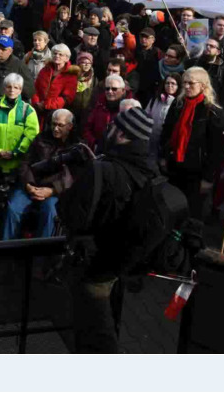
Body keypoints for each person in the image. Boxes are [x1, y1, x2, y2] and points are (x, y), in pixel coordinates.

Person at [59, 108, 159, 353]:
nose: (109, 128)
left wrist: (68, 187)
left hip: (96, 263)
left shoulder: (103, 170)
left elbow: (71, 215)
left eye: (114, 126)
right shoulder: (149, 168)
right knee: (106, 323)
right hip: (121, 261)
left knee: (95, 333)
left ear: (122, 135)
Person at [160, 66, 224, 221]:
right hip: (175, 165)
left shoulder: (214, 112)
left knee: (191, 212)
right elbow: (167, 132)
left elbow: (216, 149)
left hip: (196, 171)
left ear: (203, 85)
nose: (187, 87)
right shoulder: (178, 104)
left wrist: (208, 177)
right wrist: (163, 156)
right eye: (185, 83)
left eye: (191, 83)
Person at [4, 108, 79, 240]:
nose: (55, 128)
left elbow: (74, 175)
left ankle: (42, 254)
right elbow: (25, 163)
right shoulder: (41, 138)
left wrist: (52, 190)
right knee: (13, 208)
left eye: (60, 125)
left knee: (50, 212)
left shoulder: (77, 146)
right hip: (32, 184)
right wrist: (29, 185)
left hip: (56, 191)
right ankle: (6, 247)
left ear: (70, 126)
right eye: (53, 124)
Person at [0, 73, 40, 231]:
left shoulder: (28, 110)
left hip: (16, 162)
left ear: (21, 90)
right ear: (4, 88)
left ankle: (3, 225)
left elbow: (31, 135)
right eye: (9, 87)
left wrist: (16, 152)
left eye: (16, 87)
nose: (12, 90)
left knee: (11, 196)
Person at [31, 43, 79, 127]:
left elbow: (66, 98)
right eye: (55, 53)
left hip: (57, 114)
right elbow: (36, 88)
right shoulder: (45, 70)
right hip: (38, 110)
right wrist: (36, 102)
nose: (57, 56)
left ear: (66, 58)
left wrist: (46, 105)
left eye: (60, 54)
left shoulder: (71, 75)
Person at [0, 35, 34, 106]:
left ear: (10, 51)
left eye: (3, 49)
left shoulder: (18, 65)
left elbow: (29, 91)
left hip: (9, 108)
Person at [82, 74, 129, 153]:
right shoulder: (98, 105)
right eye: (107, 89)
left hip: (119, 154)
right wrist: (94, 144)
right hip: (96, 151)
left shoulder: (129, 108)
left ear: (123, 91)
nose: (110, 92)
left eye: (114, 89)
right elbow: (87, 128)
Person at [145, 73, 181, 161]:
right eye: (167, 83)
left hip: (166, 144)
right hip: (150, 140)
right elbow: (146, 115)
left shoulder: (180, 104)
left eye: (173, 84)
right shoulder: (155, 99)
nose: (169, 86)